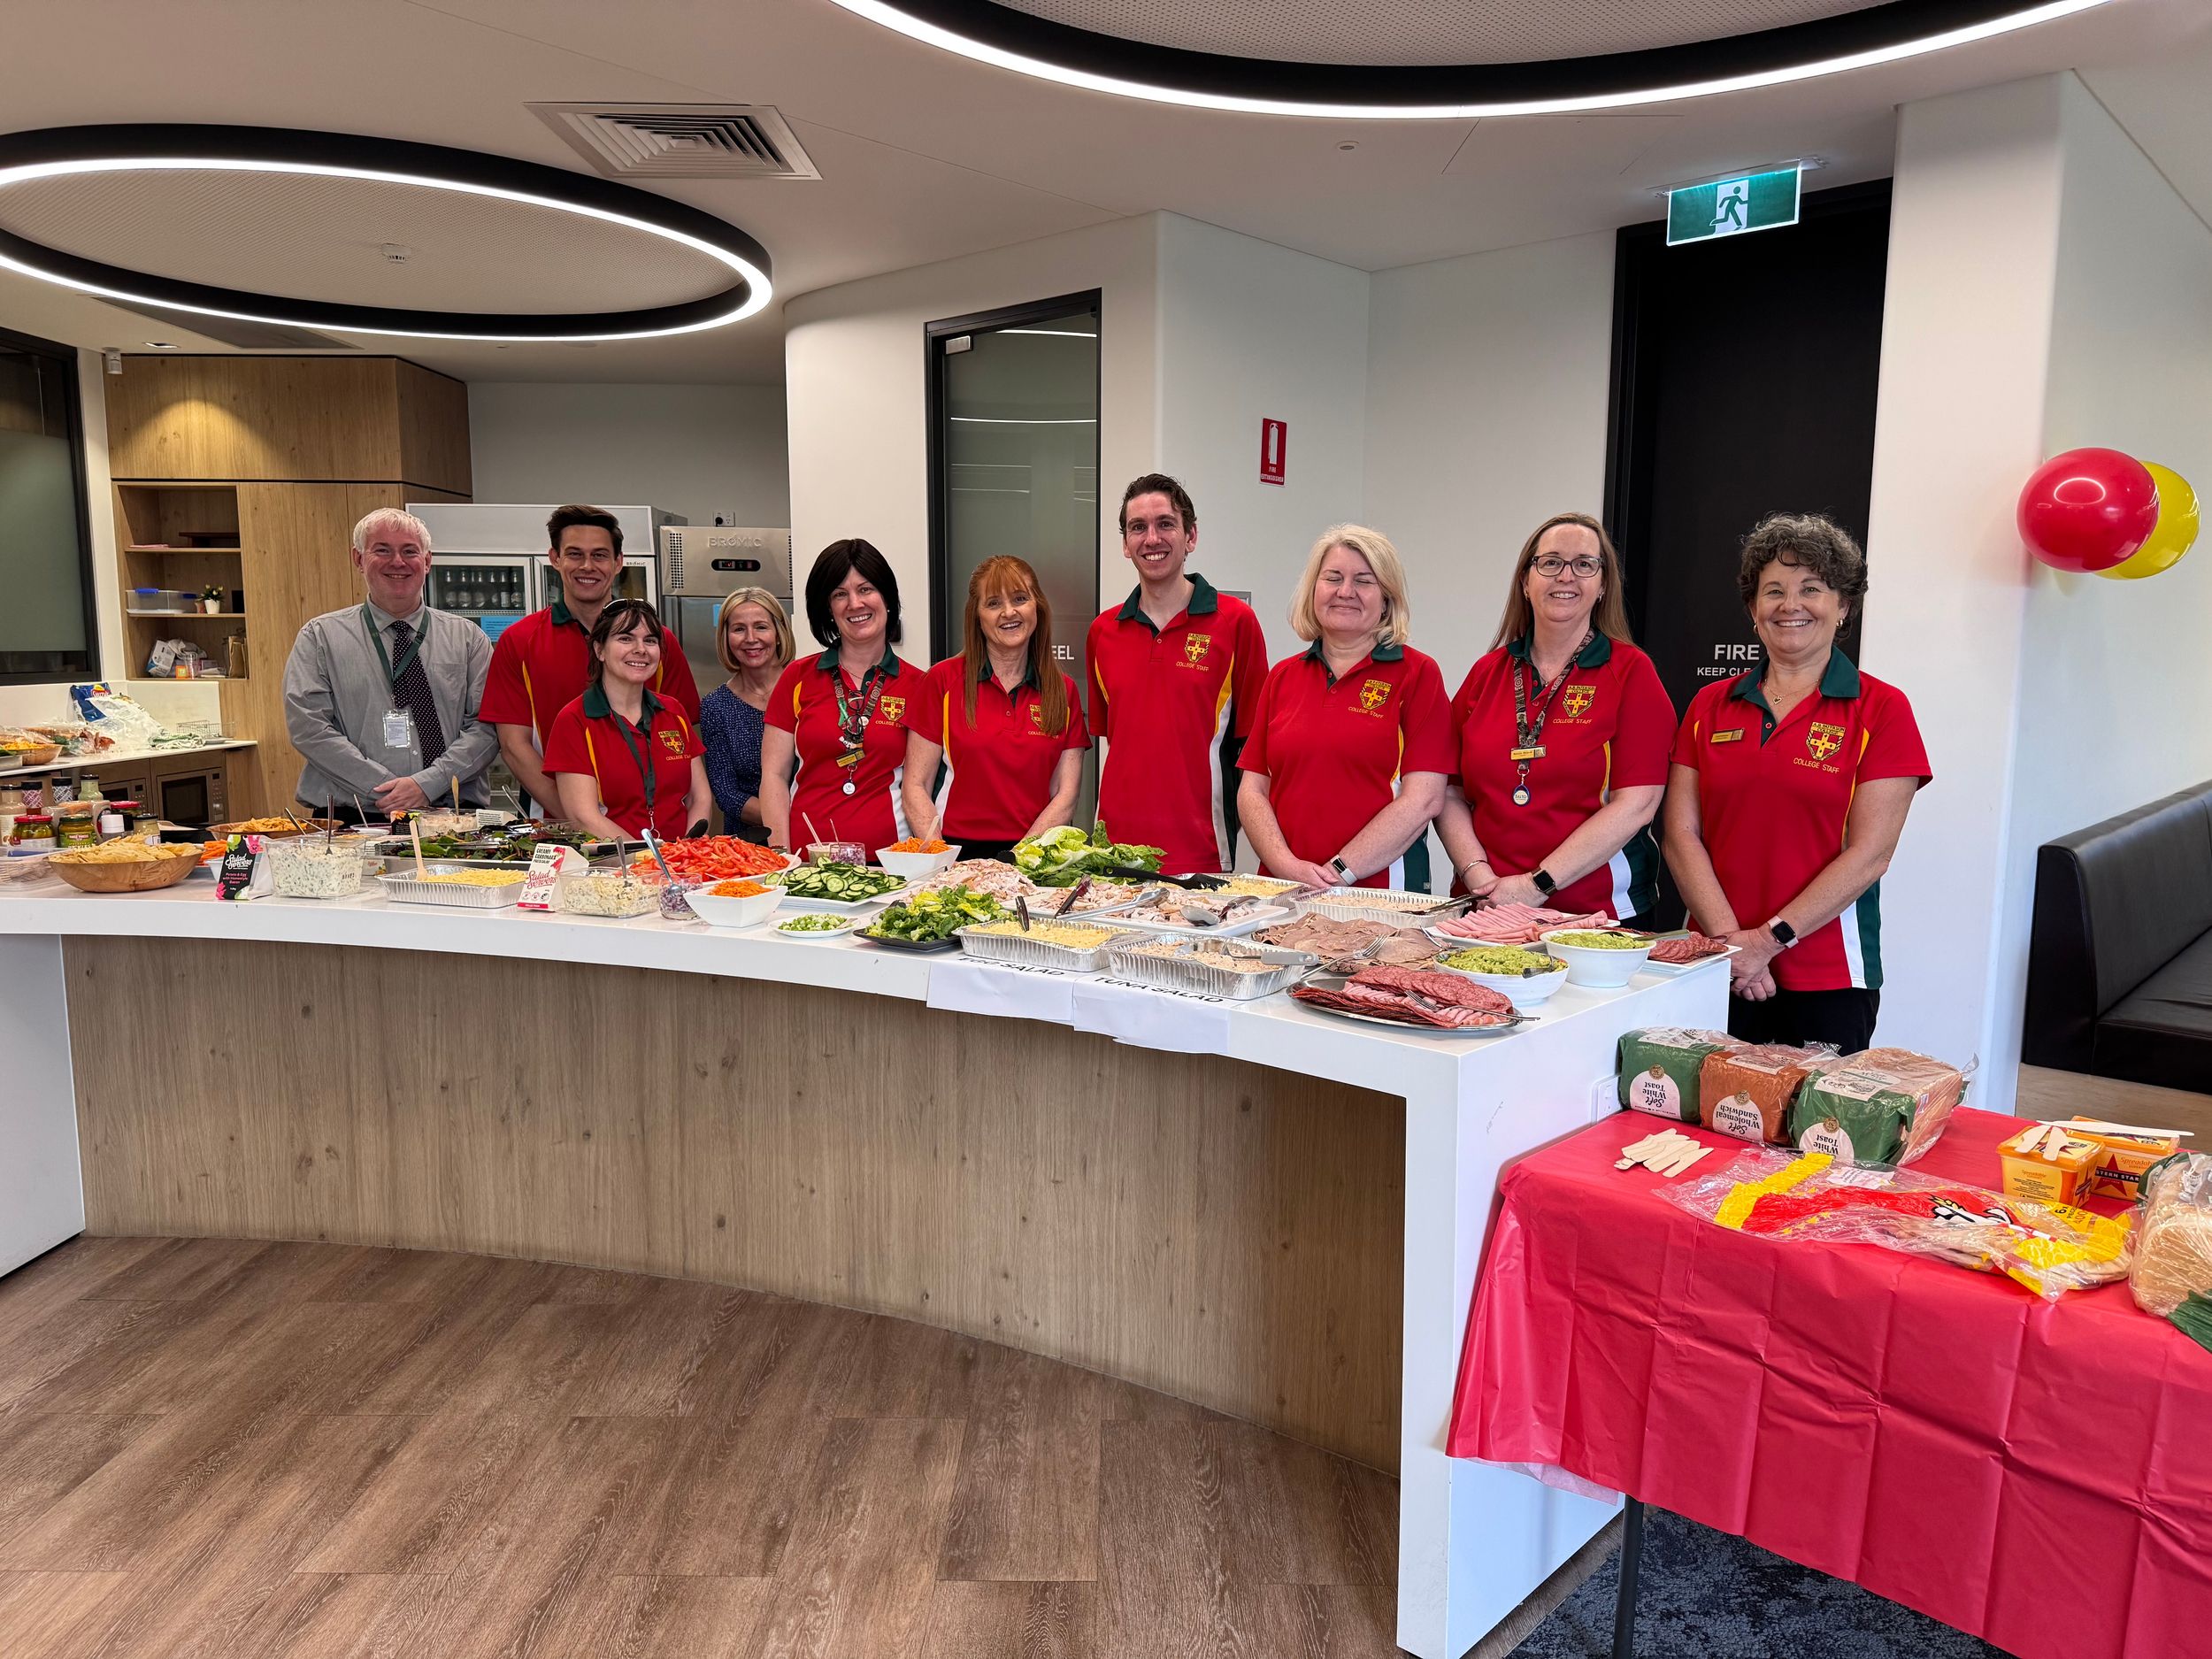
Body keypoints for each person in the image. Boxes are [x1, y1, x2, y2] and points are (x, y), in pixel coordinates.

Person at [1663, 512, 1930, 1052]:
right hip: (1713, 963)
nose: (1791, 605)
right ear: (1753, 610)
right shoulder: (1710, 705)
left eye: (1812, 589)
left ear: (1843, 606)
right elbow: (1679, 834)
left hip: (1829, 974)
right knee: (1694, 1105)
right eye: (1774, 591)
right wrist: (1732, 944)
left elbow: (1871, 855)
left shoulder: (1882, 709)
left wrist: (1767, 941)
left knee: (1811, 1112)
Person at [1434, 513, 1675, 921]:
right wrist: (1478, 875)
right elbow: (1448, 791)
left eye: (1584, 564)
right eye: (1550, 562)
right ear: (1525, 582)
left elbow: (1637, 804)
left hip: (1598, 915)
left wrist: (1537, 885)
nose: (1566, 576)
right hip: (1486, 907)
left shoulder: (1631, 673)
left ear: (1602, 585)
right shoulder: (1487, 673)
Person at [1236, 526, 1452, 889]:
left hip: (1380, 892)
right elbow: (1252, 791)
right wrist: (1287, 867)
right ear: (1314, 590)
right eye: (1333, 578)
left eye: (1364, 581)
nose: (1345, 592)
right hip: (1284, 889)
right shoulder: (1282, 677)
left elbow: (1424, 799)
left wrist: (1338, 872)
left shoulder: (1417, 674)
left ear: (1387, 599)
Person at [1085, 473, 1269, 874]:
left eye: (1165, 524)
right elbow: (1118, 740)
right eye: (1138, 527)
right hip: (1114, 850)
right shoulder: (1102, 632)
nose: (1152, 539)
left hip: (1201, 849)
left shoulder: (1236, 623)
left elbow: (1254, 749)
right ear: (1125, 544)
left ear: (1191, 537)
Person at [480, 504, 701, 816]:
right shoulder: (519, 641)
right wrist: (578, 818)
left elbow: (681, 741)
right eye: (575, 554)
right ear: (555, 558)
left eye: (599, 555)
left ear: (618, 562)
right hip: (555, 822)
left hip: (652, 830)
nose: (587, 566)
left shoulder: (656, 644)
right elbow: (514, 747)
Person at [283, 507, 496, 821]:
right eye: (382, 550)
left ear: (427, 561)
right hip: (354, 818)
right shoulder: (319, 638)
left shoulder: (469, 639)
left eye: (409, 551)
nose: (397, 562)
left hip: (452, 814)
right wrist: (385, 789)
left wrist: (427, 784)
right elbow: (309, 728)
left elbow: (487, 727)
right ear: (358, 559)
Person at [902, 556, 1089, 864]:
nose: (1009, 612)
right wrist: (941, 861)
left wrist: (1017, 860)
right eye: (993, 603)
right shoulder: (941, 681)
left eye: (1020, 599)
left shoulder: (1063, 690)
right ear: (977, 616)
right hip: (955, 856)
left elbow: (1066, 795)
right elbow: (915, 786)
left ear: (1038, 607)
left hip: (1033, 857)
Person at [760, 539, 923, 856]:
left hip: (891, 864)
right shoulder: (796, 678)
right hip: (807, 863)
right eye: (840, 594)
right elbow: (774, 776)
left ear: (887, 598)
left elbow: (922, 786)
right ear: (828, 608)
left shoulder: (919, 685)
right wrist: (781, 857)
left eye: (866, 589)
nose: (855, 603)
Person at [541, 599, 709, 844]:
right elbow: (583, 816)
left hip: (681, 860)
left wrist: (687, 851)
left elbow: (699, 797)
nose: (641, 649)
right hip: (615, 862)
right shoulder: (574, 719)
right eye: (626, 638)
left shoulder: (673, 711)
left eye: (650, 640)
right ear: (599, 650)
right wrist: (647, 859)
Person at [699, 587, 794, 844]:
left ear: (779, 633)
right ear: (726, 638)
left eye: (761, 627)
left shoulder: (806, 690)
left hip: (816, 836)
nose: (751, 638)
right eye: (739, 629)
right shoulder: (715, 706)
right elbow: (727, 793)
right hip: (748, 846)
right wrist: (785, 819)